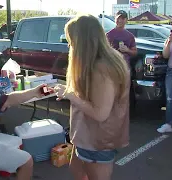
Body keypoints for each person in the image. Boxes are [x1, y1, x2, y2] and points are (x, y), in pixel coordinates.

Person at [54, 14, 130, 180]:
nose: (70, 45)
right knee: (76, 169)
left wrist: (70, 95)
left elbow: (100, 113)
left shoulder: (101, 67)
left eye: (71, 41)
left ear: (82, 42)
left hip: (96, 141)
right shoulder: (106, 59)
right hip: (87, 136)